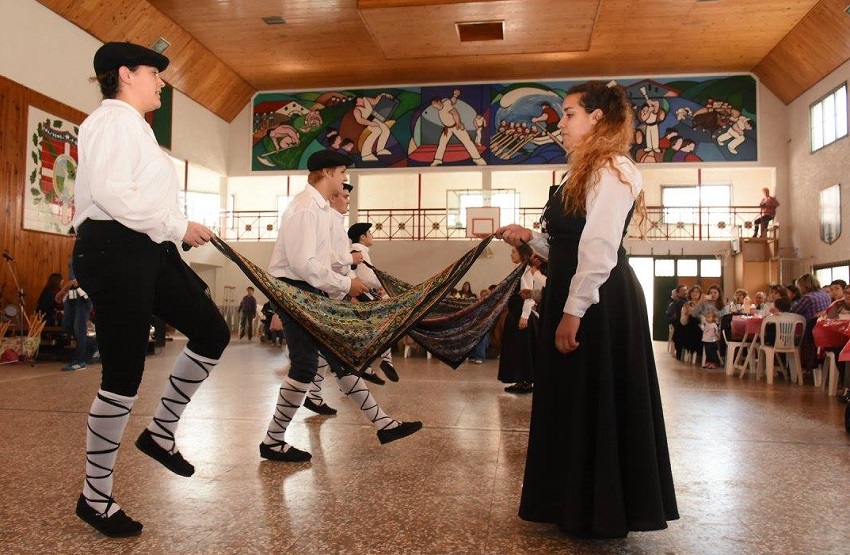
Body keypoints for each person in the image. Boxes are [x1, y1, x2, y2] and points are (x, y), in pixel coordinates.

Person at [496, 81, 678, 537]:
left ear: (597, 117)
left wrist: (574, 310)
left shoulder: (614, 168)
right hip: (574, 290)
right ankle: (572, 502)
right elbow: (568, 243)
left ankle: (601, 508)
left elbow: (599, 246)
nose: (562, 122)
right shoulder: (580, 171)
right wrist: (527, 238)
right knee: (573, 399)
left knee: (595, 395)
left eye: (570, 112)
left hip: (599, 299)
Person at [70, 42, 231, 537]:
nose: (161, 81)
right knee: (123, 374)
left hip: (147, 247)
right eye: (154, 73)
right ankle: (94, 497)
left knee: (211, 333)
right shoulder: (111, 121)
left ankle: (160, 432)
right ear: (125, 74)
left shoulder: (135, 127)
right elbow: (114, 195)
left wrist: (175, 226)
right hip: (114, 248)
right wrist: (176, 225)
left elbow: (140, 197)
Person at [261, 149, 421, 463]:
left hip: (309, 291)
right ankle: (273, 440)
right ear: (328, 173)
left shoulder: (318, 210)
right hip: (296, 292)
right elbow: (304, 265)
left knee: (339, 358)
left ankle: (383, 423)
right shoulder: (306, 209)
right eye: (343, 173)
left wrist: (345, 270)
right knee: (305, 367)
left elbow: (322, 259)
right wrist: (347, 284)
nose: (345, 179)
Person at [348, 221, 401, 383]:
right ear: (362, 237)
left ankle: (382, 362)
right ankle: (378, 363)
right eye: (370, 233)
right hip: (361, 296)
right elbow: (367, 277)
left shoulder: (360, 250)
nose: (372, 236)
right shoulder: (359, 251)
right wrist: (383, 284)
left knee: (377, 329)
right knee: (380, 326)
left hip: (363, 295)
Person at [497, 244, 537, 393]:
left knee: (523, 349)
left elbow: (528, 296)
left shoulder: (525, 271)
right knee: (516, 348)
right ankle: (520, 380)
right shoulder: (518, 270)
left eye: (513, 252)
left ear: (521, 254)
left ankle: (525, 381)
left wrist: (524, 317)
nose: (511, 255)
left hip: (521, 315)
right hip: (514, 314)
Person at [56, 256, 99, 372]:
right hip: (72, 293)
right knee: (67, 325)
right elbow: (72, 279)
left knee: (79, 328)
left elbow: (80, 279)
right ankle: (94, 343)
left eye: (75, 236)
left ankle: (80, 361)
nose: (73, 237)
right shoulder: (72, 255)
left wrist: (62, 290)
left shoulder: (88, 252)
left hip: (83, 293)